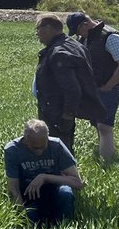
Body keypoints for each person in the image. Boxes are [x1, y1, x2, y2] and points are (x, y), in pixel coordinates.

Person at [33, 14, 105, 151]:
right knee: (65, 150)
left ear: (48, 28)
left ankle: (65, 173)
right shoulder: (74, 45)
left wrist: (66, 116)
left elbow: (72, 89)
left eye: (38, 28)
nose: (37, 33)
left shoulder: (58, 52)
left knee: (57, 153)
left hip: (56, 111)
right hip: (62, 110)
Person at [68, 11, 119, 161]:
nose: (78, 35)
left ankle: (108, 162)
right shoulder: (85, 37)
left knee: (105, 127)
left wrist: (108, 86)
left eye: (78, 31)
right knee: (98, 123)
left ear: (85, 24)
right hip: (94, 88)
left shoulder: (111, 38)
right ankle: (105, 153)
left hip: (109, 88)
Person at [5, 118, 84, 227]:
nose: (39, 151)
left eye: (43, 147)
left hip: (54, 191)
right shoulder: (13, 150)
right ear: (25, 139)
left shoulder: (57, 146)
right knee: (31, 220)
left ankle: (65, 227)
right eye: (34, 148)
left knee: (65, 193)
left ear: (47, 138)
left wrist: (44, 177)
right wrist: (22, 215)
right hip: (29, 196)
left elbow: (77, 183)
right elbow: (13, 187)